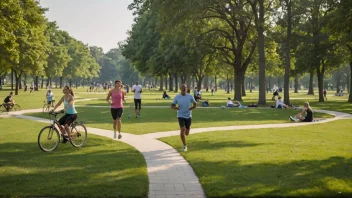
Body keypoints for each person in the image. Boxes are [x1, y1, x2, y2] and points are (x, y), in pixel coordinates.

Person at [171, 84, 197, 152]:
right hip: (180, 115)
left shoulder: (190, 96)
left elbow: (195, 104)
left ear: (186, 89)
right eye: (182, 88)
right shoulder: (177, 97)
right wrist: (177, 108)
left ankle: (187, 129)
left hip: (188, 116)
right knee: (182, 129)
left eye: (185, 88)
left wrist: (192, 107)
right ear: (180, 89)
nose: (184, 89)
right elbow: (172, 106)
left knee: (187, 133)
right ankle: (184, 145)